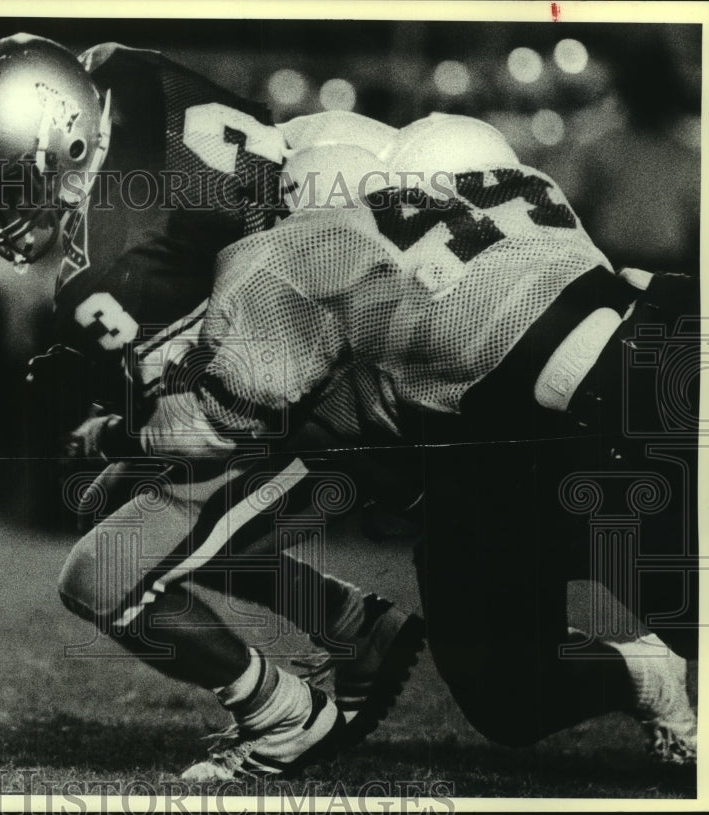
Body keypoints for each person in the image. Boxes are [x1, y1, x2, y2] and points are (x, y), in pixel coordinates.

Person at [111, 109, 699, 766]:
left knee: (681, 601)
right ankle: (645, 672)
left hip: (618, 405)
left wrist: (137, 408)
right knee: (506, 691)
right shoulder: (490, 181)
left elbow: (204, 432)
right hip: (547, 416)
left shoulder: (312, 246)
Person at [0, 33, 425, 780]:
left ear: (63, 142)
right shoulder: (118, 69)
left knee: (100, 574)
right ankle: (356, 626)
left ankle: (282, 714)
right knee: (116, 497)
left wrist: (117, 429)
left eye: (6, 178)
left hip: (341, 385)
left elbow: (201, 426)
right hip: (357, 288)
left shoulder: (107, 268)